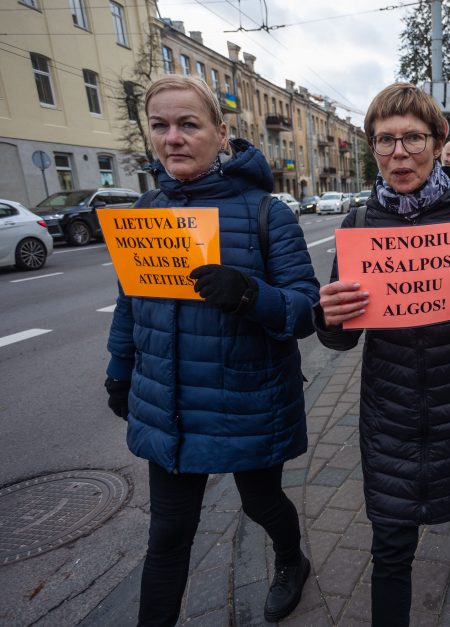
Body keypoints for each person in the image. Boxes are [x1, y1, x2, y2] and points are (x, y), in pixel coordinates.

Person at [315, 82, 450, 626]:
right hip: (389, 409)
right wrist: (328, 315)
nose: (399, 154)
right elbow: (341, 338)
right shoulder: (360, 226)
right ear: (372, 148)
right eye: (385, 141)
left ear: (438, 142)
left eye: (412, 138)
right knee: (390, 548)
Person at [103, 75, 319, 626]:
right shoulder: (147, 208)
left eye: (188, 124)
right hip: (170, 402)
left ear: (222, 134)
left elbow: (303, 310)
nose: (172, 137)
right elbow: (131, 301)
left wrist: (249, 294)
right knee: (169, 535)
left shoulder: (268, 214)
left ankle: (291, 560)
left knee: (261, 504)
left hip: (247, 400)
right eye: (160, 125)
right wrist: (119, 370)